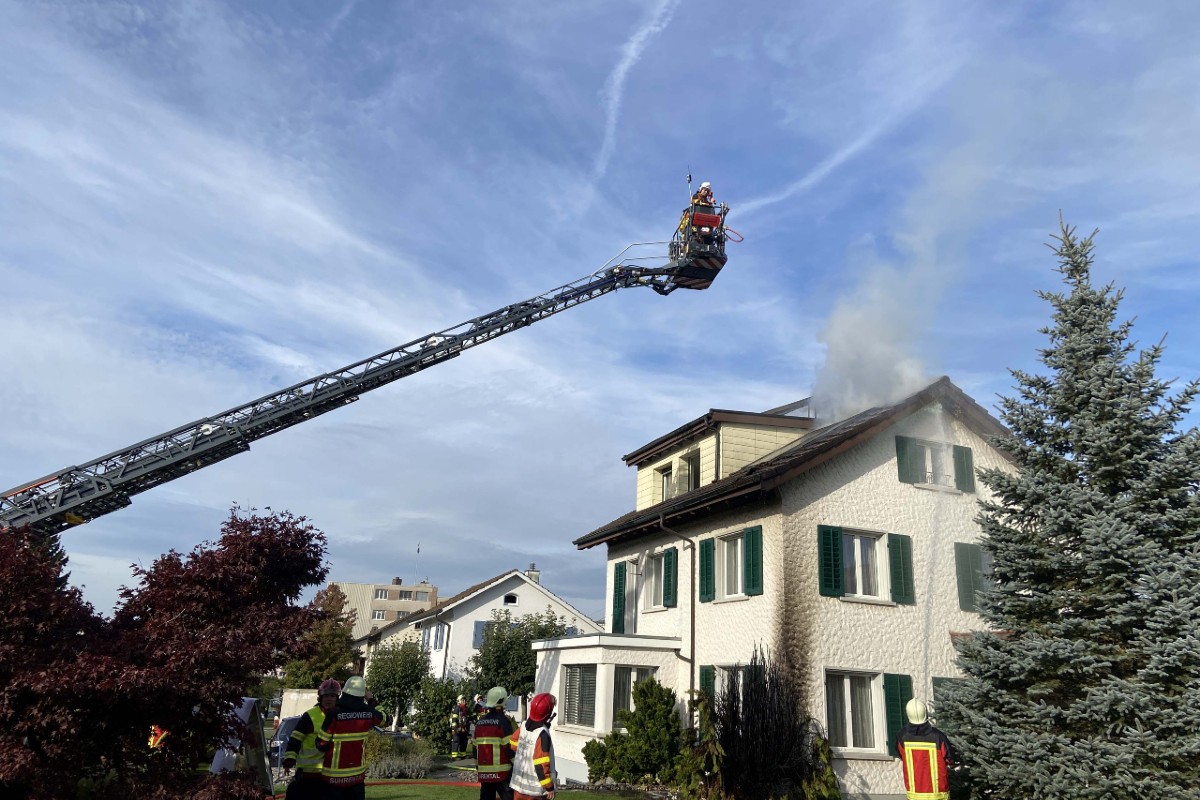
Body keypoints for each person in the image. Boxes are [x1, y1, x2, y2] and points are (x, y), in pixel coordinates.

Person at [316, 675, 384, 800]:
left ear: (345, 691)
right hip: (357, 779)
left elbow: (321, 744)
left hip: (332, 779)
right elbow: (385, 718)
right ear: (362, 694)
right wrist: (371, 700)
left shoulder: (334, 713)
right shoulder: (369, 713)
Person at [282, 678, 340, 800]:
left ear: (337, 698)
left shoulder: (341, 716)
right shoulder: (310, 716)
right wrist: (289, 759)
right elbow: (295, 739)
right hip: (308, 774)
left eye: (332, 696)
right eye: (326, 696)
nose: (329, 699)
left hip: (330, 774)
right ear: (320, 698)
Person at [895, 698, 954, 800]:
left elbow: (901, 755)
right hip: (938, 795)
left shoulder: (902, 737)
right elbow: (950, 759)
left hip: (914, 795)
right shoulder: (938, 737)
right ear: (925, 713)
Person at [508, 693, 557, 800]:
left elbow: (513, 744)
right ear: (548, 713)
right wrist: (549, 787)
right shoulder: (542, 734)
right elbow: (541, 765)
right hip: (534, 791)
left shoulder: (523, 726)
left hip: (518, 786)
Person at [473, 686, 515, 800]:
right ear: (501, 702)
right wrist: (517, 764)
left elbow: (474, 749)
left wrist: (479, 768)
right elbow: (509, 748)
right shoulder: (503, 722)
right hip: (502, 774)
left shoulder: (480, 722)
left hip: (485, 775)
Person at [451, 694, 473, 758]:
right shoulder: (457, 708)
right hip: (457, 728)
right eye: (462, 700)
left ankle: (462, 754)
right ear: (459, 701)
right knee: (456, 741)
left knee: (464, 741)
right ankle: (454, 756)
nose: (464, 701)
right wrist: (455, 728)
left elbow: (468, 718)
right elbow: (454, 718)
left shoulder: (466, 709)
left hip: (464, 728)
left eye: (464, 700)